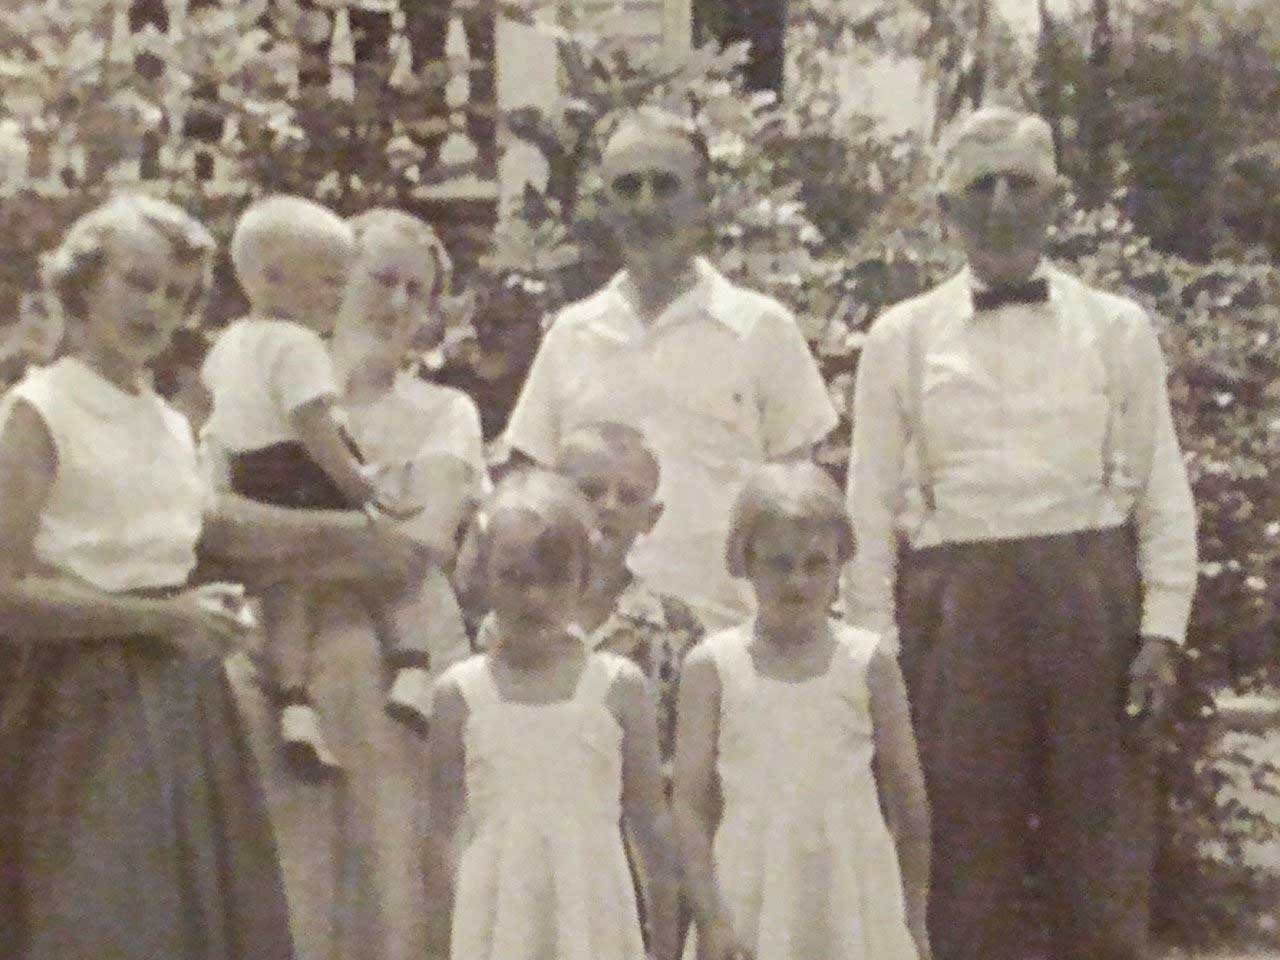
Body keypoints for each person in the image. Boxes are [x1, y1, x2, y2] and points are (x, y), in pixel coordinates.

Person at [0, 193, 423, 960]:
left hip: (183, 699)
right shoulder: (38, 410)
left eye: (175, 293)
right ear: (84, 283)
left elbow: (208, 532)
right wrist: (164, 619)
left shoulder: (165, 417)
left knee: (192, 929)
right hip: (76, 705)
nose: (155, 308)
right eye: (137, 282)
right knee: (99, 923)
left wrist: (358, 536)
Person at [845, 106, 1199, 960]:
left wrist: (1161, 629)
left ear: (1057, 200)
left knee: (1104, 840)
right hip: (954, 608)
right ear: (946, 209)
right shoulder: (901, 337)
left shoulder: (1117, 328)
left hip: (1090, 593)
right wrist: (878, 653)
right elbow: (867, 505)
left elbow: (1161, 486)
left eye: (1022, 184)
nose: (1001, 203)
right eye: (980, 185)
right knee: (962, 848)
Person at [217, 205, 484, 960]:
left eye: (417, 290)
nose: (399, 304)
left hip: (399, 682)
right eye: (381, 280)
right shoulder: (257, 389)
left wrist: (272, 542)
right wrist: (355, 532)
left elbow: (419, 547)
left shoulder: (441, 411)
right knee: (288, 875)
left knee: (395, 881)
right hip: (275, 668)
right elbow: (203, 529)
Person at [505, 106, 838, 630]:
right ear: (607, 205)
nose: (646, 206)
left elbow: (799, 507)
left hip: (727, 635)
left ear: (702, 201)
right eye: (627, 188)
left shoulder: (762, 330)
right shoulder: (572, 334)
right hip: (587, 644)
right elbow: (532, 502)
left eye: (665, 186)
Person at [201, 194, 424, 779]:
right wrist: (359, 488)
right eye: (328, 282)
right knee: (385, 556)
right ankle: (413, 663)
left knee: (288, 589)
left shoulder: (228, 343)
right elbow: (314, 427)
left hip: (251, 476)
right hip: (301, 467)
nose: (337, 296)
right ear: (272, 279)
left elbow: (214, 425)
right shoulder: (299, 344)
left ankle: (295, 706)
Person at [673, 462, 930, 960]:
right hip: (753, 887)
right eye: (779, 563)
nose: (798, 582)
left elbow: (908, 797)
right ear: (745, 561)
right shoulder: (713, 667)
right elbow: (688, 805)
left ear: (840, 565)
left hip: (851, 892)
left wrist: (911, 919)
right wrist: (710, 918)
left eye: (817, 564)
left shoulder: (867, 662)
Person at [425, 469, 681, 960]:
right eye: (515, 579)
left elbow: (651, 827)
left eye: (553, 580)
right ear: (485, 578)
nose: (534, 597)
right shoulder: (460, 694)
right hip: (498, 921)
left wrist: (664, 947)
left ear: (585, 579)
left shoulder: (618, 687)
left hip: (592, 917)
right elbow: (441, 843)